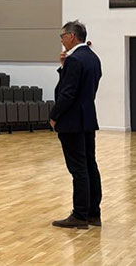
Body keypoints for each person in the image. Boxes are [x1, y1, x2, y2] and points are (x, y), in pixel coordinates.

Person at [50, 20, 102, 229]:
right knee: (90, 165)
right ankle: (93, 213)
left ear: (71, 36)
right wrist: (64, 66)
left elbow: (67, 92)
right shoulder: (93, 58)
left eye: (62, 36)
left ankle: (79, 215)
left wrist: (54, 115)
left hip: (71, 121)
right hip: (88, 118)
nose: (61, 40)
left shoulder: (75, 60)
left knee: (78, 168)